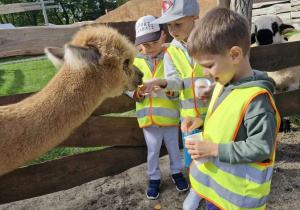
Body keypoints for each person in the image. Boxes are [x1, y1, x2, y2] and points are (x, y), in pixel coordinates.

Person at [181, 7, 281, 210]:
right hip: (218, 191)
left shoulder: (257, 100)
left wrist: (214, 149)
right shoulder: (225, 83)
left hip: (238, 199)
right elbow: (226, 119)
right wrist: (201, 120)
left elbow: (261, 147)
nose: (206, 73)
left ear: (234, 55)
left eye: (209, 65)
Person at [143, 0, 215, 169]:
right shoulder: (171, 52)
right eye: (168, 25)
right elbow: (176, 83)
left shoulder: (211, 43)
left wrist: (215, 88)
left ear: (195, 18)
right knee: (194, 160)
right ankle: (197, 189)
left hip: (214, 110)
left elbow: (224, 73)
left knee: (215, 152)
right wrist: (161, 82)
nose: (172, 30)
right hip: (188, 117)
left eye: (178, 23)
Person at [125, 15, 189, 200]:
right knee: (152, 149)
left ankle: (177, 173)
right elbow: (128, 86)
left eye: (153, 42)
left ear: (163, 36)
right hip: (148, 118)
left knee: (173, 147)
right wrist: (136, 94)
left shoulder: (172, 56)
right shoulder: (135, 61)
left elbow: (178, 84)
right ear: (139, 44)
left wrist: (168, 91)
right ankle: (154, 177)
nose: (149, 48)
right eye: (145, 45)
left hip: (169, 117)